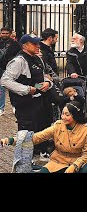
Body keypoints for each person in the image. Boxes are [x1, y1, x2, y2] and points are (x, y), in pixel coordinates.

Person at [0, 33, 56, 161]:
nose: (38, 46)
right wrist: (26, 90)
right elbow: (5, 80)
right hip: (24, 103)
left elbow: (39, 79)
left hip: (40, 100)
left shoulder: (37, 59)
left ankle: (41, 152)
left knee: (42, 127)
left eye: (38, 43)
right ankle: (24, 160)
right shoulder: (18, 61)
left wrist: (47, 83)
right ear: (25, 46)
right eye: (34, 44)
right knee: (26, 131)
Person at [0, 100, 87, 173]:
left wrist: (74, 166)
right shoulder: (58, 125)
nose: (63, 117)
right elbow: (36, 138)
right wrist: (10, 140)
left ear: (76, 115)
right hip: (59, 160)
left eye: (67, 115)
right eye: (62, 113)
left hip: (79, 160)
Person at [0, 27, 21, 116]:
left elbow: (18, 56)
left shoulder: (15, 44)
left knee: (13, 88)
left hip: (11, 68)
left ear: (10, 34)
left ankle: (14, 106)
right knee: (1, 89)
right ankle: (1, 108)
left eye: (6, 33)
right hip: (0, 68)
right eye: (3, 33)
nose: (4, 35)